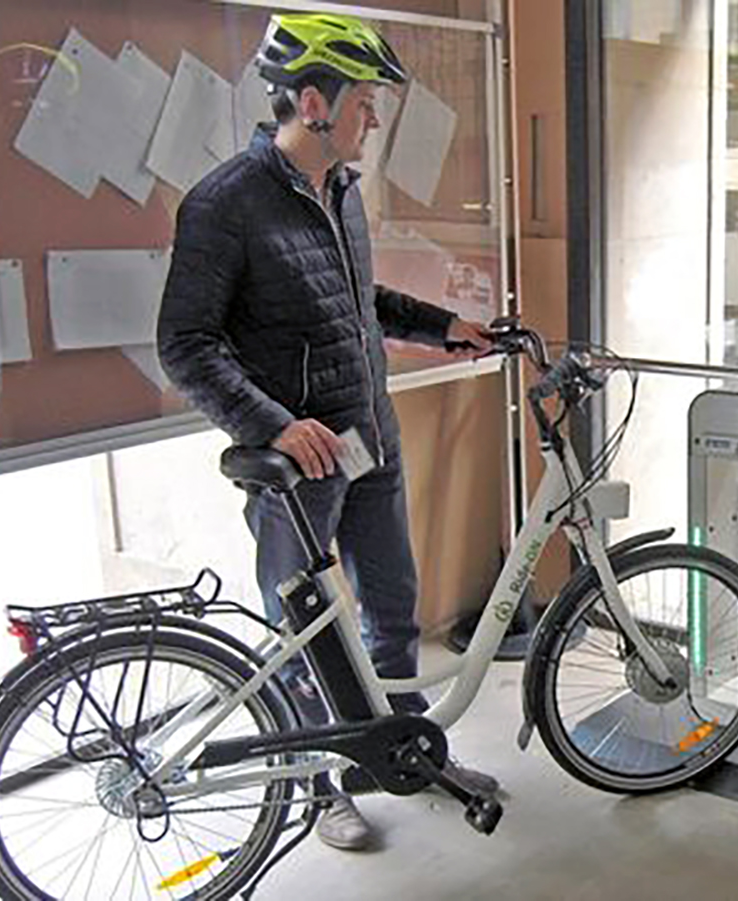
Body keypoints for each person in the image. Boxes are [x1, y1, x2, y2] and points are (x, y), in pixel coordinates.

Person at [156, 12, 496, 851]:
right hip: (296, 464)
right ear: (313, 102)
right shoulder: (224, 205)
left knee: (391, 610)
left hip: (368, 436)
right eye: (363, 104)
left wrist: (443, 324)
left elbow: (358, 301)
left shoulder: (339, 189)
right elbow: (185, 345)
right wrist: (275, 423)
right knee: (301, 633)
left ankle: (399, 751)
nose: (372, 120)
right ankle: (314, 790)